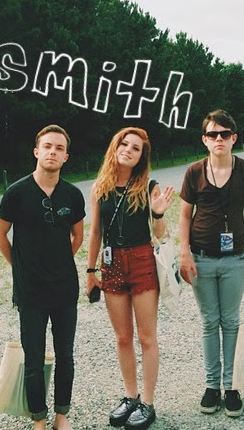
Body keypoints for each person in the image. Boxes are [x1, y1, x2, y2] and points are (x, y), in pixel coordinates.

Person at [0, 125, 85, 430]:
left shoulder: (72, 194)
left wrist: (60, 261)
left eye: (59, 148)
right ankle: (39, 419)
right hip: (30, 291)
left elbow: (78, 236)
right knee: (33, 358)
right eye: (47, 146)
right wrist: (19, 265)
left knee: (65, 356)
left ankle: (61, 416)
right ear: (36, 151)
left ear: (66, 156)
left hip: (64, 290)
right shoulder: (16, 193)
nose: (52, 152)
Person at [86, 127, 175, 430]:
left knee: (146, 337)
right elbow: (95, 232)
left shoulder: (149, 186)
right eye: (124, 144)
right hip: (110, 263)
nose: (128, 150)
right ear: (115, 147)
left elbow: (160, 234)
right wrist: (90, 271)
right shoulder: (100, 187)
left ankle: (147, 402)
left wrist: (159, 214)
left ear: (141, 157)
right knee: (122, 337)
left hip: (141, 261)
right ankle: (130, 396)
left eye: (135, 148)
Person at [178, 109, 244, 418]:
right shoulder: (194, 172)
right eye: (213, 134)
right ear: (204, 139)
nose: (219, 139)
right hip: (201, 258)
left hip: (234, 261)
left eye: (224, 134)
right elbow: (184, 216)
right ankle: (212, 386)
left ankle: (232, 386)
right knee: (208, 322)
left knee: (230, 322)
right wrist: (184, 253)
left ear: (233, 138)